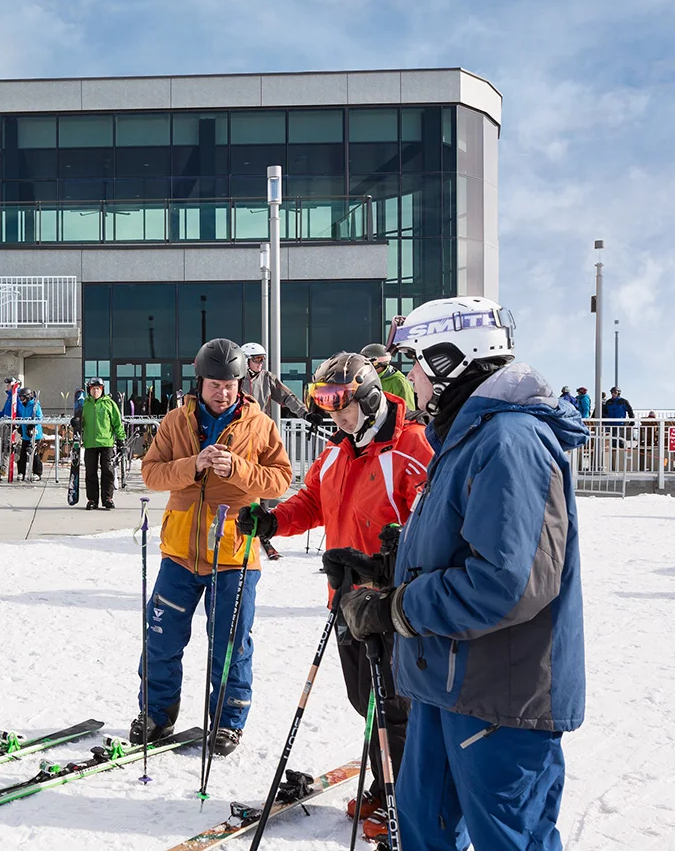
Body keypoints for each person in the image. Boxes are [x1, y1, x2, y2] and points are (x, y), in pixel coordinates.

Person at [337, 295, 586, 851]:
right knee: (425, 832)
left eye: (417, 367)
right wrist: (387, 570)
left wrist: (396, 607)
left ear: (449, 363)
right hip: (443, 685)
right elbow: (459, 546)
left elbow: (506, 582)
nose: (412, 385)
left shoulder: (511, 441)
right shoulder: (464, 438)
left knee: (508, 840)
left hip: (499, 698)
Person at [239, 351, 431, 841]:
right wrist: (272, 520)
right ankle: (385, 784)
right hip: (345, 599)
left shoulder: (411, 448)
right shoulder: (339, 451)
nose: (336, 416)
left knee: (396, 705)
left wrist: (393, 556)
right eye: (328, 407)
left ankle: (406, 799)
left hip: (393, 606)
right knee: (365, 699)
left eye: (343, 405)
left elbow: (434, 523)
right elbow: (311, 501)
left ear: (367, 398)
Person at [134, 339, 293, 757]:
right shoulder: (175, 421)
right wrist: (194, 466)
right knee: (161, 639)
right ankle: (156, 714)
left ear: (240, 384)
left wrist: (238, 469)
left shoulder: (259, 424)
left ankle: (227, 721)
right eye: (214, 384)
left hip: (234, 554)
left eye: (230, 384)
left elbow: (280, 480)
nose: (222, 392)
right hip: (180, 552)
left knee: (230, 644)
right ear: (199, 381)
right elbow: (150, 473)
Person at [240, 341, 323, 425]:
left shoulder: (267, 378)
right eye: (257, 359)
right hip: (239, 427)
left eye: (262, 359)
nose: (261, 363)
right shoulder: (236, 380)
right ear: (246, 360)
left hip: (261, 427)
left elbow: (287, 397)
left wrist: (306, 414)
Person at [76, 378, 125, 510]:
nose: (96, 391)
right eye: (93, 389)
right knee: (90, 472)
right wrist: (75, 424)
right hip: (90, 443)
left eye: (98, 388)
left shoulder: (109, 404)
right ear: (89, 390)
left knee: (107, 471)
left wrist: (121, 440)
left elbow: (117, 423)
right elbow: (80, 422)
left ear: (102, 390)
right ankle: (92, 499)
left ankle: (107, 498)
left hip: (106, 442)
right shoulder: (85, 405)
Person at [359, 342, 417, 410]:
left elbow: (408, 410)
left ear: (377, 363)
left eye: (368, 364)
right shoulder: (363, 379)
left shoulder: (398, 381)